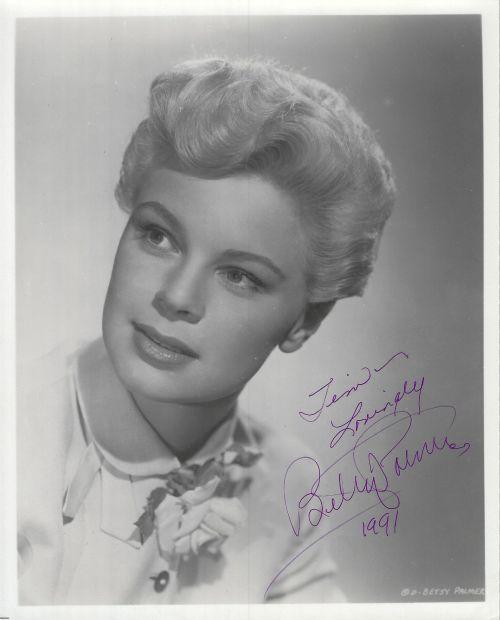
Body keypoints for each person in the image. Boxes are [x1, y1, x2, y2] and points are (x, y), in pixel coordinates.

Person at [17, 57, 395, 604]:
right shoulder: (19, 435)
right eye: (158, 236)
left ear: (305, 321)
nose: (176, 296)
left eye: (239, 276)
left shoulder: (288, 487)